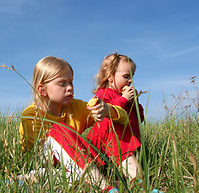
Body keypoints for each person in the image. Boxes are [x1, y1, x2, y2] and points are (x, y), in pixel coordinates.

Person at [19, 56, 132, 192]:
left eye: (71, 82)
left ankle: (138, 182)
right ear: (42, 90)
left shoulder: (76, 106)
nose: (70, 88)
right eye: (62, 83)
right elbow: (37, 155)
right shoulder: (32, 115)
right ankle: (105, 188)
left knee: (108, 122)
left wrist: (108, 110)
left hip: (80, 162)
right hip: (49, 166)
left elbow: (124, 119)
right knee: (58, 130)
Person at [89, 53, 144, 184]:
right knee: (128, 158)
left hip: (128, 139)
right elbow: (106, 113)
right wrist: (124, 99)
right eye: (126, 76)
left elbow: (140, 118)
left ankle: (129, 182)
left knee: (130, 157)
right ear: (110, 76)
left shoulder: (128, 96)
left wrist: (135, 102)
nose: (130, 80)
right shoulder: (103, 94)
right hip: (110, 142)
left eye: (132, 76)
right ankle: (138, 183)